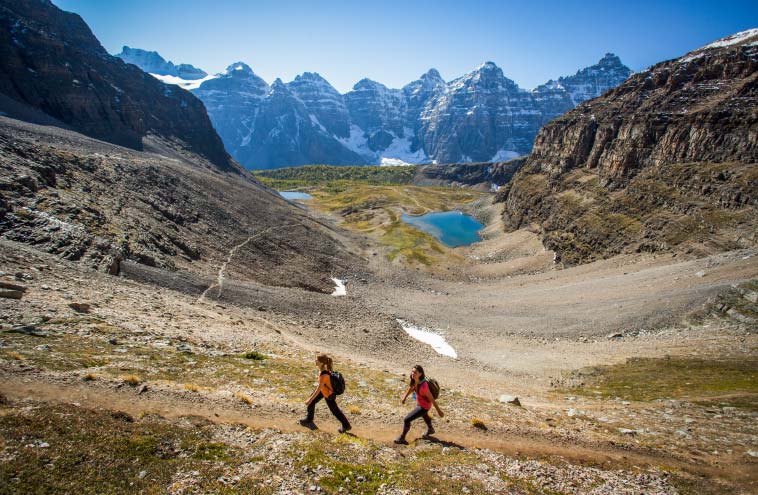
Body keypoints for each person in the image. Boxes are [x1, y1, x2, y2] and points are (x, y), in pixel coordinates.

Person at [299, 353, 351, 433]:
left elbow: (318, 389)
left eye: (317, 360)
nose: (315, 361)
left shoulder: (324, 374)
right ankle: (309, 418)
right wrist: (311, 399)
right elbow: (320, 387)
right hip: (324, 391)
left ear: (322, 363)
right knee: (312, 402)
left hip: (328, 394)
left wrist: (309, 400)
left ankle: (346, 426)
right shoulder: (323, 369)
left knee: (335, 411)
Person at [394, 364, 443, 444]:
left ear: (420, 374)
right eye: (412, 372)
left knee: (407, 419)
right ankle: (431, 429)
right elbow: (411, 388)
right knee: (424, 415)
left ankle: (402, 438)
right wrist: (405, 397)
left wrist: (439, 411)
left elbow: (432, 399)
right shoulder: (414, 380)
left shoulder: (424, 386)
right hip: (420, 403)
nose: (413, 374)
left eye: (415, 372)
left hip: (424, 406)